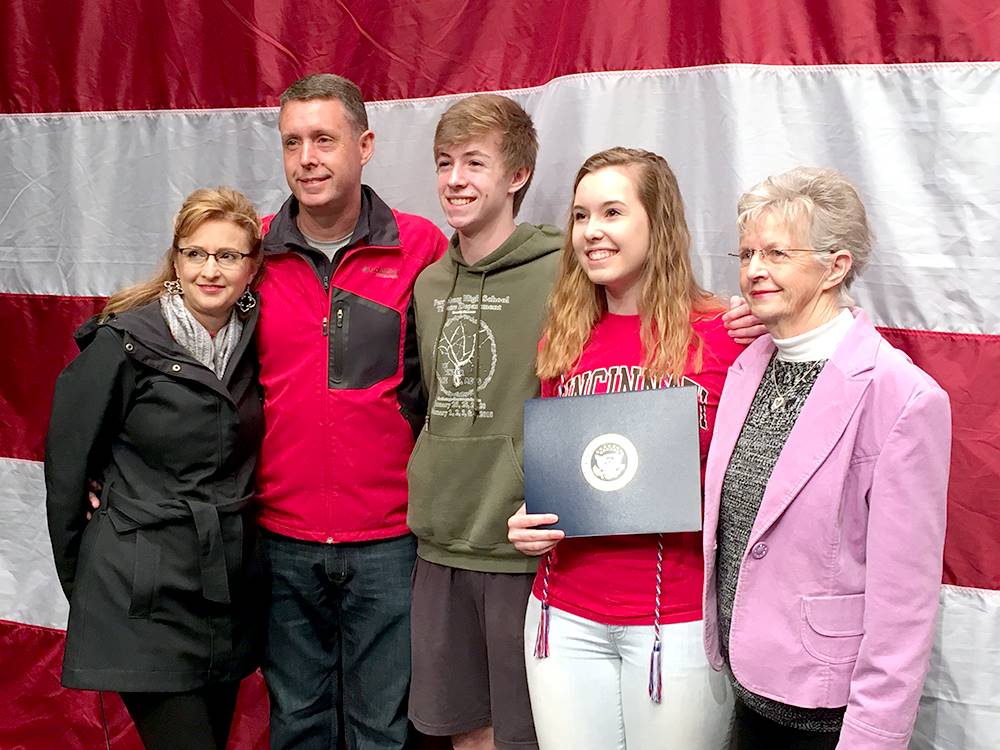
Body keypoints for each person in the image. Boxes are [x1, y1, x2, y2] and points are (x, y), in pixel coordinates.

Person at [702, 167, 951, 749]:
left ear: (836, 266)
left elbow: (904, 607)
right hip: (745, 695)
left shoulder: (903, 398)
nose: (754, 269)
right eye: (747, 253)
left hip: (826, 719)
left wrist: (872, 739)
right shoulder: (749, 365)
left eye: (777, 254)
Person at [508, 147, 741, 750]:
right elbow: (567, 479)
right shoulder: (565, 336)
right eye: (581, 216)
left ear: (657, 223)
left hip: (678, 623)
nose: (591, 231)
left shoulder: (726, 334)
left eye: (612, 212)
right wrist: (528, 522)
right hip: (563, 618)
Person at [255, 73, 447, 750]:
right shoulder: (251, 252)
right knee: (298, 723)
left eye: (324, 140)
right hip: (282, 539)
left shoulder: (421, 247)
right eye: (292, 143)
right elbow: (171, 349)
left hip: (390, 542)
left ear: (363, 145)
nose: (307, 157)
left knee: (382, 730)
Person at [45, 187, 265, 750]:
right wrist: (89, 587)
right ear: (176, 260)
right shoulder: (122, 343)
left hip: (222, 594)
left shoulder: (257, 342)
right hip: (139, 593)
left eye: (228, 255)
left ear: (252, 266)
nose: (210, 270)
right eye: (196, 253)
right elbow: (67, 473)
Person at [406, 93, 561, 750]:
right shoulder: (430, 282)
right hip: (440, 542)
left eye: (475, 162)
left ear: (517, 175)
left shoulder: (567, 268)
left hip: (518, 548)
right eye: (445, 163)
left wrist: (730, 314)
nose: (455, 180)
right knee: (463, 732)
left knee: (525, 737)